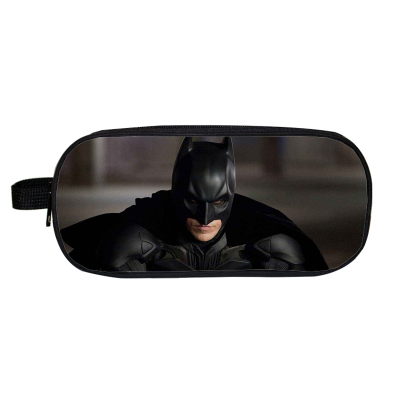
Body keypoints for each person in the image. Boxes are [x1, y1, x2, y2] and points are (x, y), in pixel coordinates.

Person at [61, 137, 328, 272]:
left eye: (218, 201)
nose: (205, 217)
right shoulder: (134, 243)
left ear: (231, 198)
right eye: (193, 201)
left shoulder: (273, 250)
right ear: (177, 196)